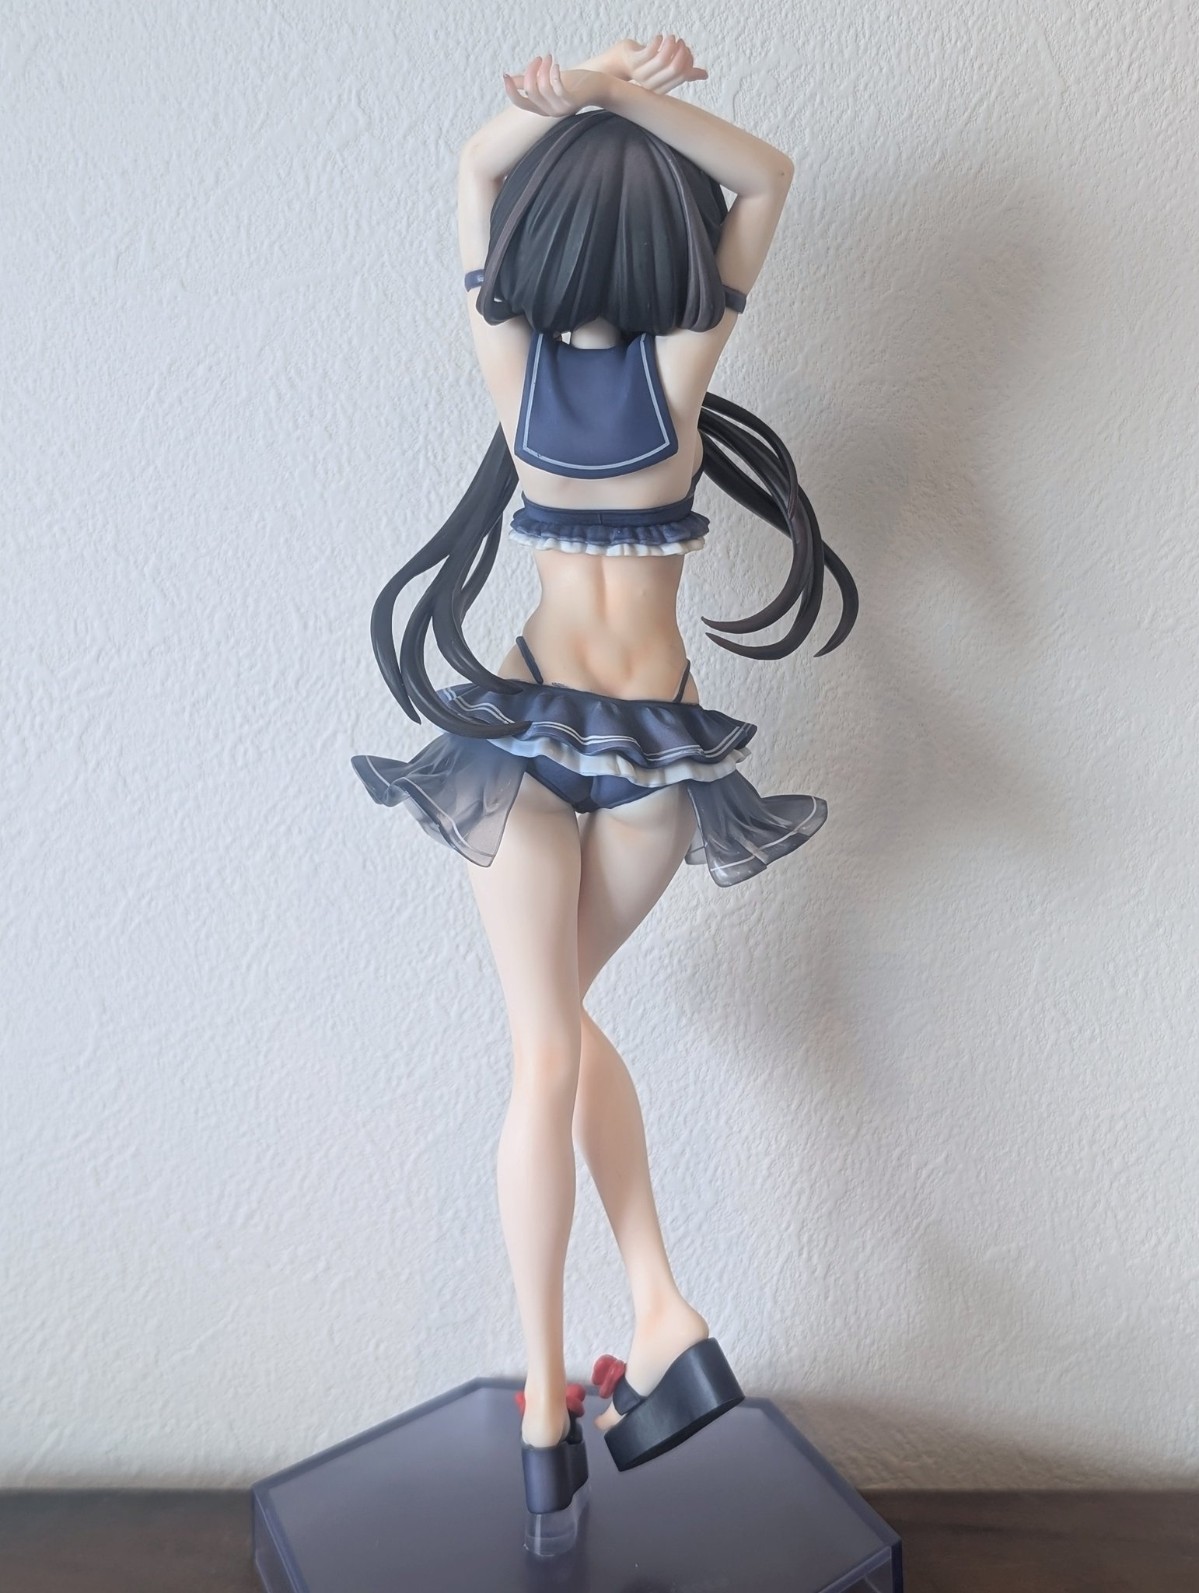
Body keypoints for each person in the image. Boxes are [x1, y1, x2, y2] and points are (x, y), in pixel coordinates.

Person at [350, 35, 858, 1542]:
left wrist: (590, 94)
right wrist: (611, 96)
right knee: (556, 1035)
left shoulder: (549, 375)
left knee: (548, 1041)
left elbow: (486, 167)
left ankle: (553, 1401)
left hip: (558, 746)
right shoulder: (672, 378)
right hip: (618, 750)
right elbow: (758, 178)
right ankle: (650, 1311)